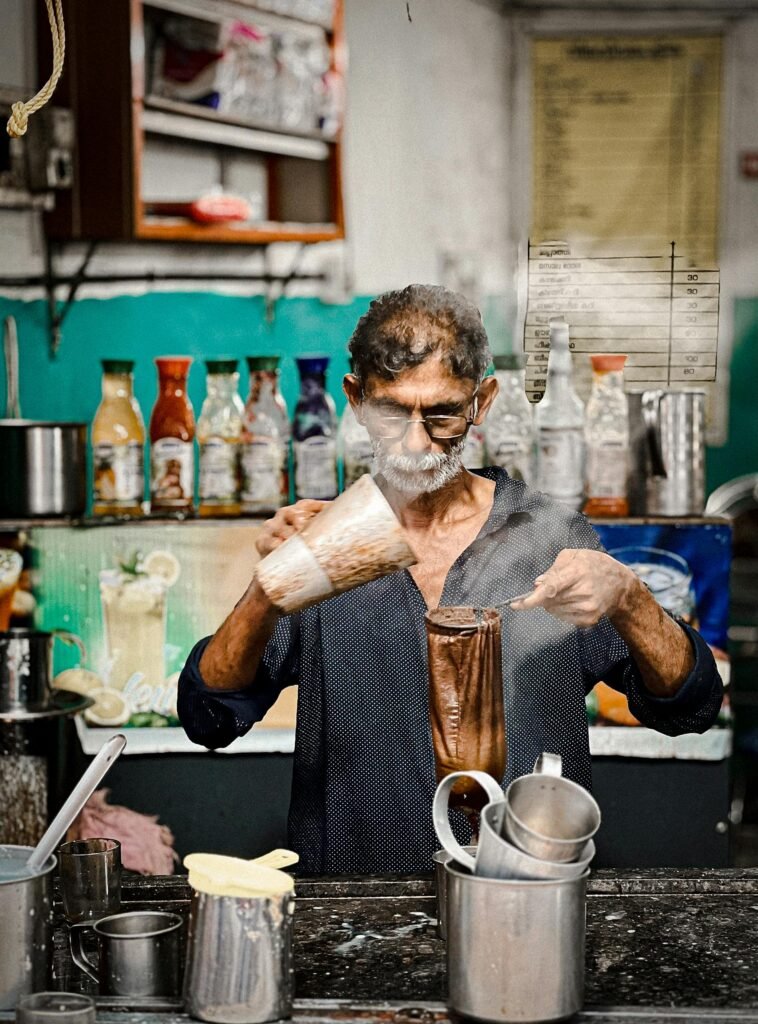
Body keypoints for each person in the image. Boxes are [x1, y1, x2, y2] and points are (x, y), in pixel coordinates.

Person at [178, 284, 723, 874]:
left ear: (481, 402)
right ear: (357, 399)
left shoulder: (547, 534)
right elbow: (209, 716)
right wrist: (268, 589)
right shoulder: (325, 546)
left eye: (440, 414)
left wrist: (628, 597)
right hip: (353, 913)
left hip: (522, 898)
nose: (416, 441)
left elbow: (690, 708)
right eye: (392, 411)